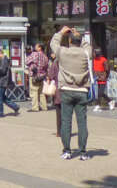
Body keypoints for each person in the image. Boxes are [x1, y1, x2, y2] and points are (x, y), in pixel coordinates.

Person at [51, 26, 93, 160]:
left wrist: (61, 32)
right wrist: (79, 35)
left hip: (66, 90)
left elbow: (53, 43)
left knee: (66, 121)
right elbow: (88, 46)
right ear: (80, 41)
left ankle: (67, 151)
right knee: (82, 123)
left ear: (69, 42)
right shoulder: (86, 53)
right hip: (81, 91)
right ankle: (83, 152)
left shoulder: (63, 52)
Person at [0, 48, 21, 118]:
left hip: (2, 81)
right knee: (2, 97)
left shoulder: (4, 60)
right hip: (3, 81)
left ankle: (0, 113)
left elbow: (2, 71)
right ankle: (15, 107)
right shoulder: (4, 60)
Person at [26, 43, 50, 112]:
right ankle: (44, 107)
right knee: (41, 92)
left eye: (36, 46)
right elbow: (46, 67)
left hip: (34, 76)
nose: (34, 47)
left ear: (39, 48)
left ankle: (35, 107)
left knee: (34, 92)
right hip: (41, 76)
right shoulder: (45, 57)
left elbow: (26, 62)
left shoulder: (34, 54)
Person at [46, 56, 62, 136]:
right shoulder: (68, 63)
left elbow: (50, 75)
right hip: (69, 91)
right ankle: (66, 131)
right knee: (67, 113)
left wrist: (48, 81)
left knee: (59, 112)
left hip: (58, 90)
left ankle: (59, 132)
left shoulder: (56, 63)